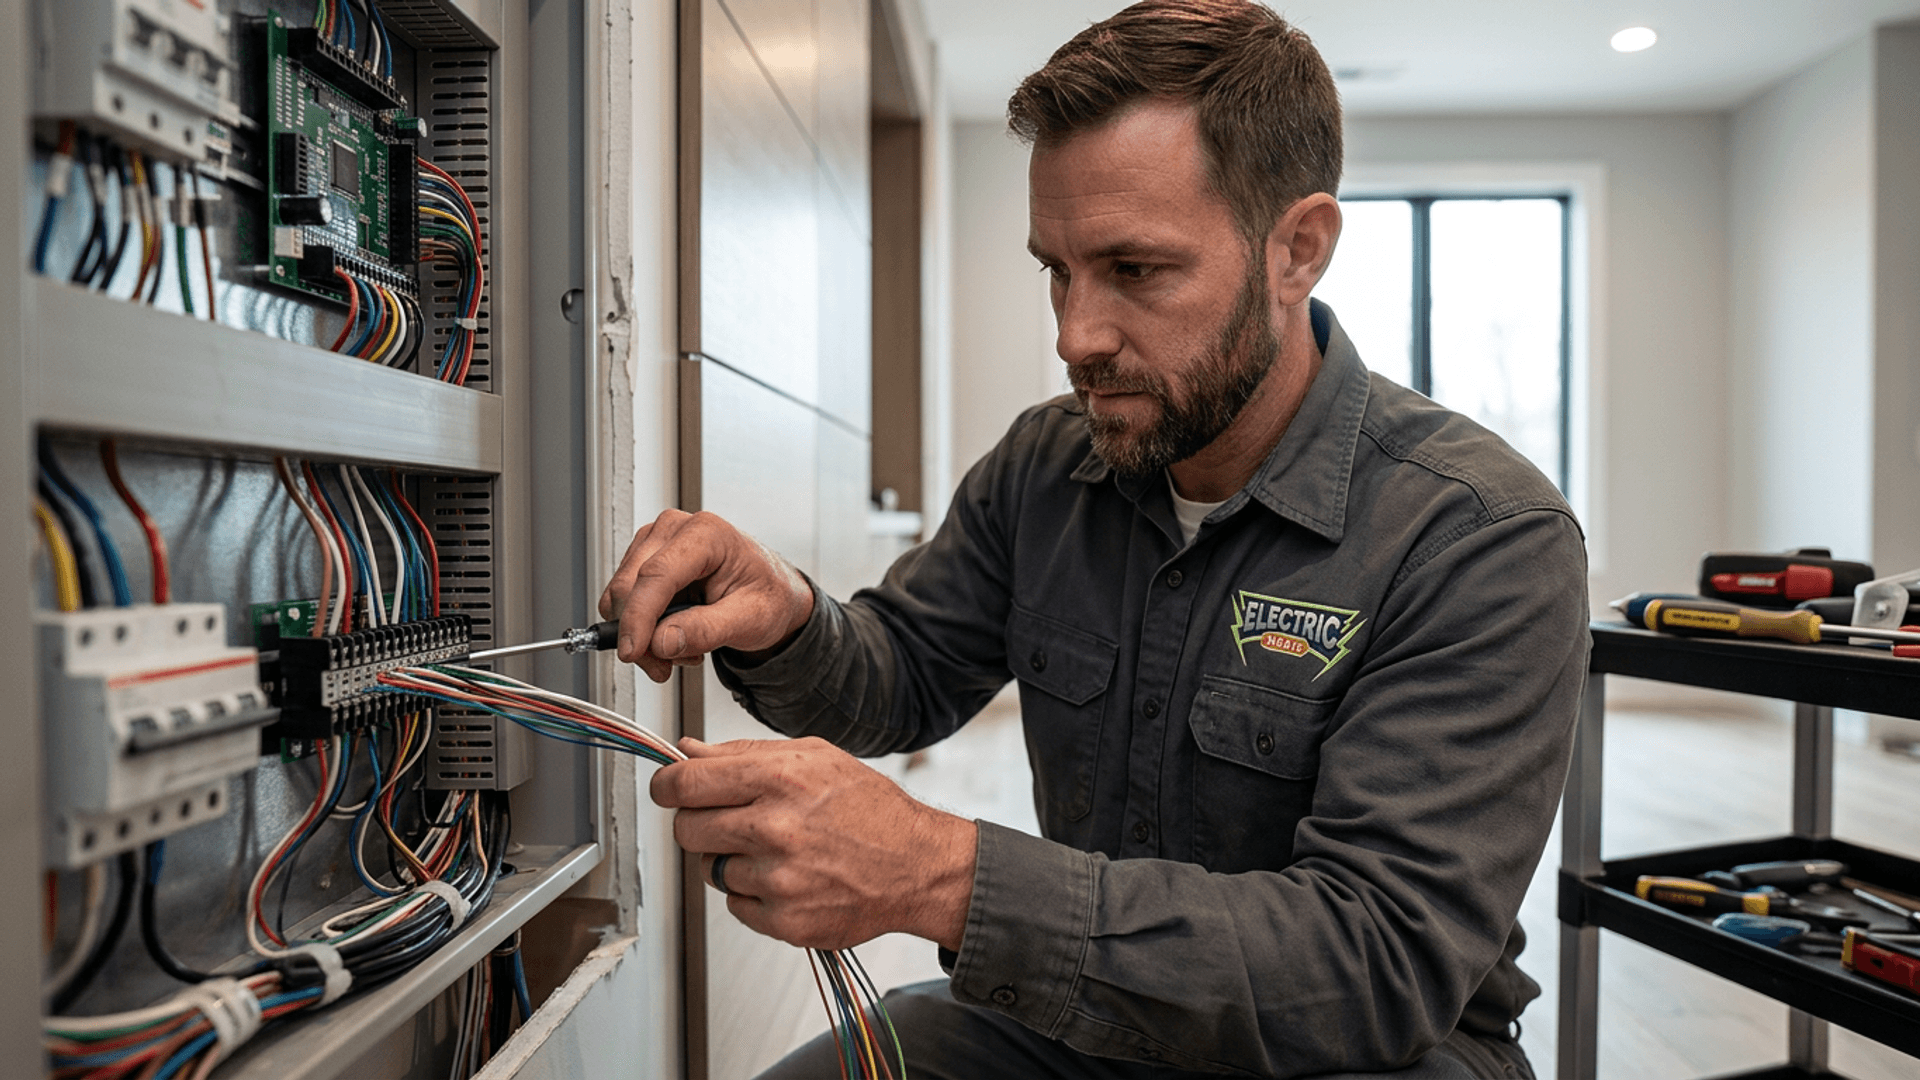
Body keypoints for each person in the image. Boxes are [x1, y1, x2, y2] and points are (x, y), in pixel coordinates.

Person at [600, 1, 1589, 1076]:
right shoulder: (1049, 465)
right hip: (1092, 1021)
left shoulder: (1481, 536)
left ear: (1296, 250)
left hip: (1370, 1054)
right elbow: (902, 676)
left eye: (1136, 270)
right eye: (1056, 271)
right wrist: (783, 616)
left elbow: (1372, 960)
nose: (1077, 335)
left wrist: (942, 874)